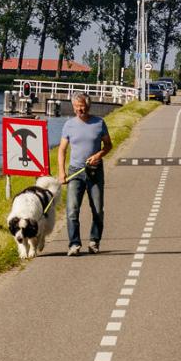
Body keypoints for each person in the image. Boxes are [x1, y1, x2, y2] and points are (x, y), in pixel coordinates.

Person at [59, 93, 112, 255]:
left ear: (88, 106)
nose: (78, 109)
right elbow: (62, 150)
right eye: (75, 106)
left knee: (97, 209)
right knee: (72, 210)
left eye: (81, 106)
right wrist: (61, 172)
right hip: (75, 172)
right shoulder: (69, 125)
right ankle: (74, 244)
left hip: (95, 172)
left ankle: (94, 241)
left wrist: (98, 155)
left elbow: (108, 145)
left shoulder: (99, 123)